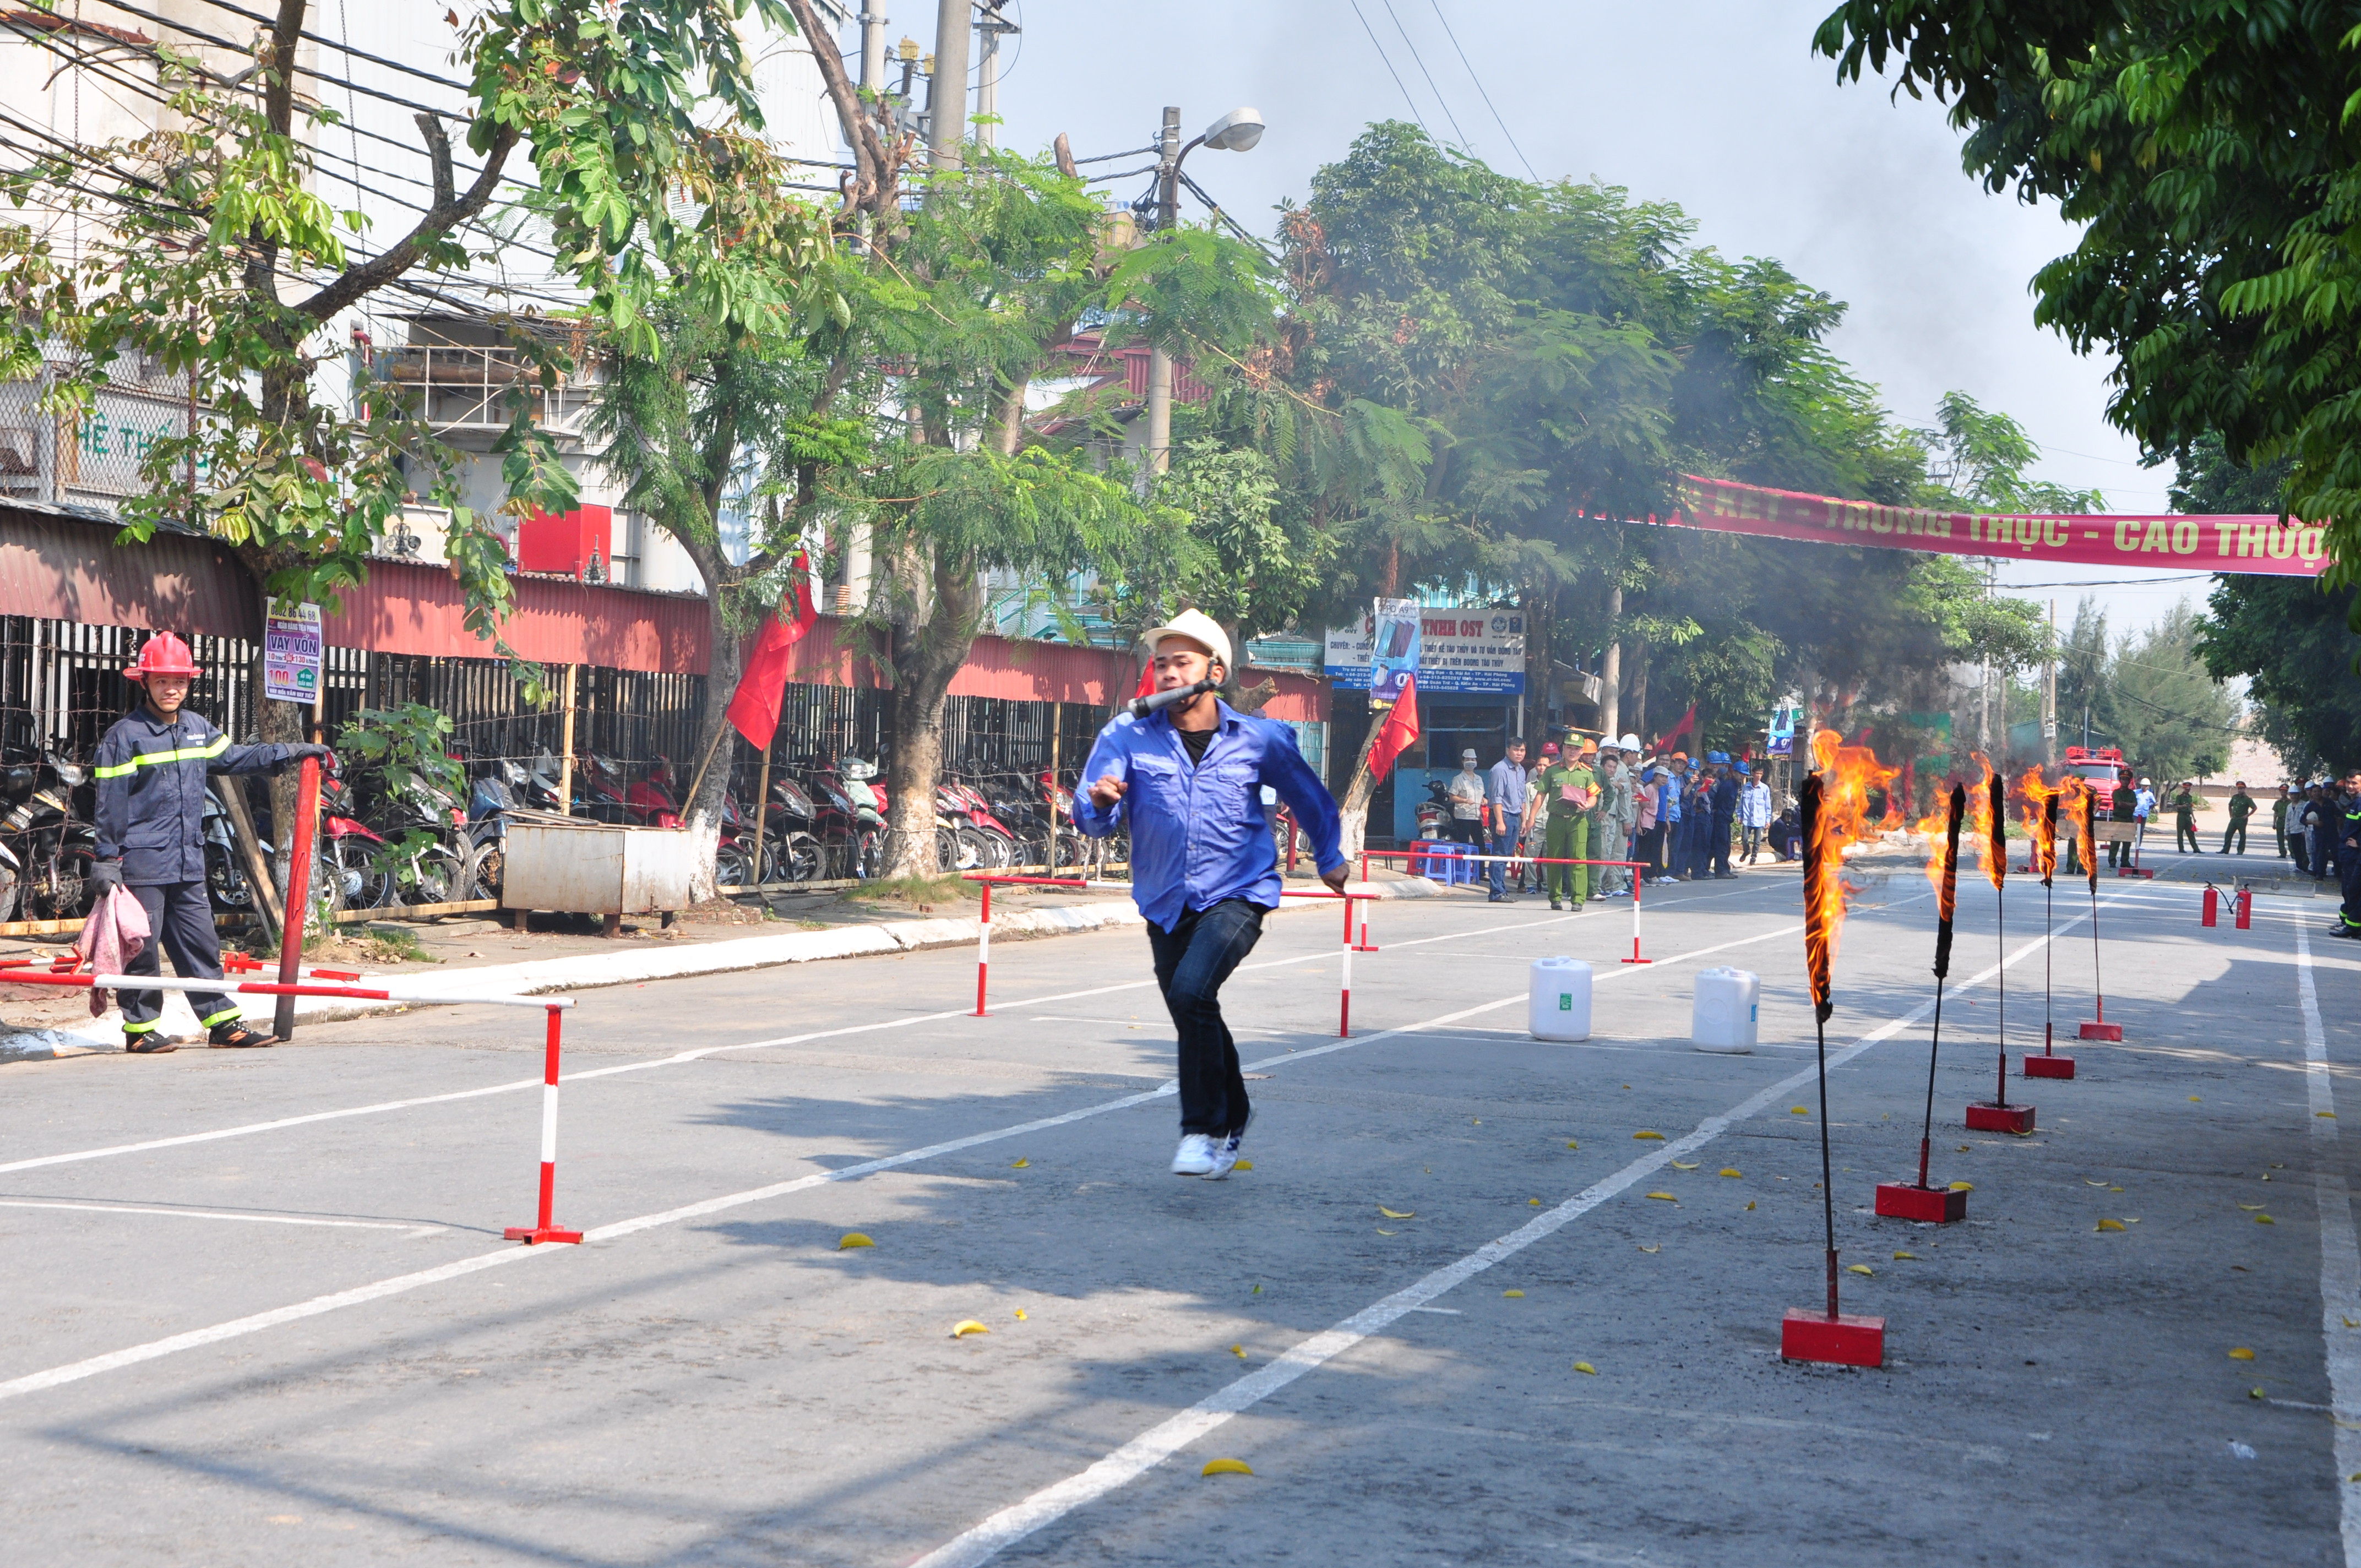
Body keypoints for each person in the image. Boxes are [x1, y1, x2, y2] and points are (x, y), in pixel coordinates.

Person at [1074, 609, 1346, 1179]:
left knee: (1194, 993)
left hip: (1237, 892)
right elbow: (1090, 813)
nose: (1169, 673)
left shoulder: (1258, 737)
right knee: (1190, 1007)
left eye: (1182, 663)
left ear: (1214, 672)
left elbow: (1311, 796)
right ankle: (1237, 1113)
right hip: (1163, 898)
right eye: (1161, 664)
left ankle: (1201, 1130)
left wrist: (1329, 856)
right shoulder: (1124, 734)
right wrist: (1100, 804)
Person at [90, 631, 330, 1053]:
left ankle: (222, 1024)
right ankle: (140, 1030)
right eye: (163, 681)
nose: (172, 689)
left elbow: (237, 757)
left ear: (189, 682)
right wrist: (107, 859)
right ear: (144, 682)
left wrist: (297, 751)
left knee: (201, 943)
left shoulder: (197, 729)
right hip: (143, 862)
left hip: (187, 859)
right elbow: (110, 804)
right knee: (142, 950)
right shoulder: (124, 737)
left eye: (179, 680)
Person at [1533, 741, 1595, 911]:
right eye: (1569, 747)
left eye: (1576, 748)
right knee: (1554, 858)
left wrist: (1588, 805)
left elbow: (1594, 795)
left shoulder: (1587, 773)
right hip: (1556, 820)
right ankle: (1555, 897)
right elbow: (1540, 795)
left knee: (1579, 859)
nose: (1572, 751)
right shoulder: (1552, 770)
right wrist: (1531, 818)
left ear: (1582, 751)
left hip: (1578, 820)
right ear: (1563, 750)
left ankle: (1578, 899)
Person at [1484, 737, 1528, 903]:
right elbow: (1496, 798)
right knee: (1499, 855)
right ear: (1508, 750)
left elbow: (1521, 797)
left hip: (1516, 817)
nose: (1519, 753)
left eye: (1522, 750)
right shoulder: (1500, 770)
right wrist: (1500, 822)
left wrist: (1524, 820)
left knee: (1507, 855)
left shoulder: (1521, 770)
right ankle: (1496, 892)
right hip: (1503, 816)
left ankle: (1501, 890)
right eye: (1516, 750)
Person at [1520, 742, 1557, 893]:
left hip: (1551, 826)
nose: (1542, 768)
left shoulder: (1555, 786)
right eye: (1540, 765)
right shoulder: (1530, 786)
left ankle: (1548, 885)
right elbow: (1526, 805)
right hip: (1534, 827)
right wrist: (1527, 822)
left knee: (1550, 859)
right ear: (1536, 767)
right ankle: (1531, 885)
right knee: (1531, 858)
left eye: (1545, 766)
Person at [2334, 772, 2361, 940]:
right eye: (2349, 783)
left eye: (2355, 783)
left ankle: (2352, 925)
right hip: (2348, 853)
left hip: (2355, 854)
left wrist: (2359, 844)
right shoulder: (2355, 803)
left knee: (2354, 889)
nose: (2351, 786)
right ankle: (2351, 925)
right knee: (2350, 889)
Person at [1445, 748, 1487, 851]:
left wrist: (1484, 800)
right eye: (1468, 760)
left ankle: (1480, 867)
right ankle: (1463, 866)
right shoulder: (1458, 779)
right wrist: (1465, 801)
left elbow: (1482, 795)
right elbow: (1452, 797)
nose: (1471, 762)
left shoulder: (1479, 779)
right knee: (1463, 845)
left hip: (1477, 817)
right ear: (1463, 761)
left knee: (1480, 846)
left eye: (1473, 760)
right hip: (1463, 817)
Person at [1709, 752, 1740, 878]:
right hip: (1719, 817)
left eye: (1726, 766)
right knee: (1720, 844)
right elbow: (1718, 800)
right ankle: (1720, 870)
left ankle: (1724, 868)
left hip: (1726, 818)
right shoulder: (1726, 784)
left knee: (1725, 844)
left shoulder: (1730, 783)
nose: (1724, 768)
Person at [1739, 765, 1772, 863]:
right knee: (1745, 838)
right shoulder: (1746, 787)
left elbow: (1768, 806)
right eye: (1757, 773)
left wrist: (1768, 820)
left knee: (1757, 841)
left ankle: (1753, 858)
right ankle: (1746, 851)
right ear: (1753, 774)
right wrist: (1739, 815)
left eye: (1760, 774)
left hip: (1760, 819)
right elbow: (1741, 803)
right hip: (1747, 818)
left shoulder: (1765, 788)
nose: (1758, 776)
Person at [2107, 769, 2137, 869]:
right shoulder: (2116, 793)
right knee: (2115, 841)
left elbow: (2135, 804)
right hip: (2118, 819)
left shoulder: (2132, 793)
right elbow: (2119, 804)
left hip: (2128, 819)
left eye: (2127, 780)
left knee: (2127, 842)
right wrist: (2129, 806)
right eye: (2123, 779)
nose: (2125, 781)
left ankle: (2125, 861)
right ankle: (2112, 861)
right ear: (2120, 780)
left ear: (2129, 782)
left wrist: (2125, 805)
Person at [2223, 781, 2255, 856]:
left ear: (2244, 789)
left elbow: (2254, 808)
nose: (2239, 790)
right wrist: (2231, 814)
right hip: (2234, 819)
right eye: (2238, 789)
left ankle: (2240, 850)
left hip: (2242, 820)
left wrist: (2248, 815)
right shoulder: (2235, 797)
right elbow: (2230, 805)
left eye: (2241, 789)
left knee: (2242, 835)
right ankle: (2225, 849)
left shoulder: (2247, 799)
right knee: (2228, 834)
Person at [2172, 782, 2200, 854]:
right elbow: (2176, 806)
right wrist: (2183, 806)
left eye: (2189, 789)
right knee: (2180, 833)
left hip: (2188, 817)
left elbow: (2191, 808)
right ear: (2184, 788)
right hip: (2181, 816)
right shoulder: (2180, 797)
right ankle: (2181, 849)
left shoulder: (2190, 797)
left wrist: (2194, 817)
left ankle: (2196, 849)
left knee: (2191, 833)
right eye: (2186, 789)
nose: (2188, 790)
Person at [2275, 783, 2294, 861]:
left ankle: (2292, 852)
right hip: (2280, 820)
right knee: (2280, 837)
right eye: (2282, 792)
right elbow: (2276, 813)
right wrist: (2274, 822)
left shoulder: (2290, 802)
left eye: (2285, 792)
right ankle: (2282, 852)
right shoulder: (2277, 802)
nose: (2283, 794)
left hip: (2288, 820)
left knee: (2289, 837)